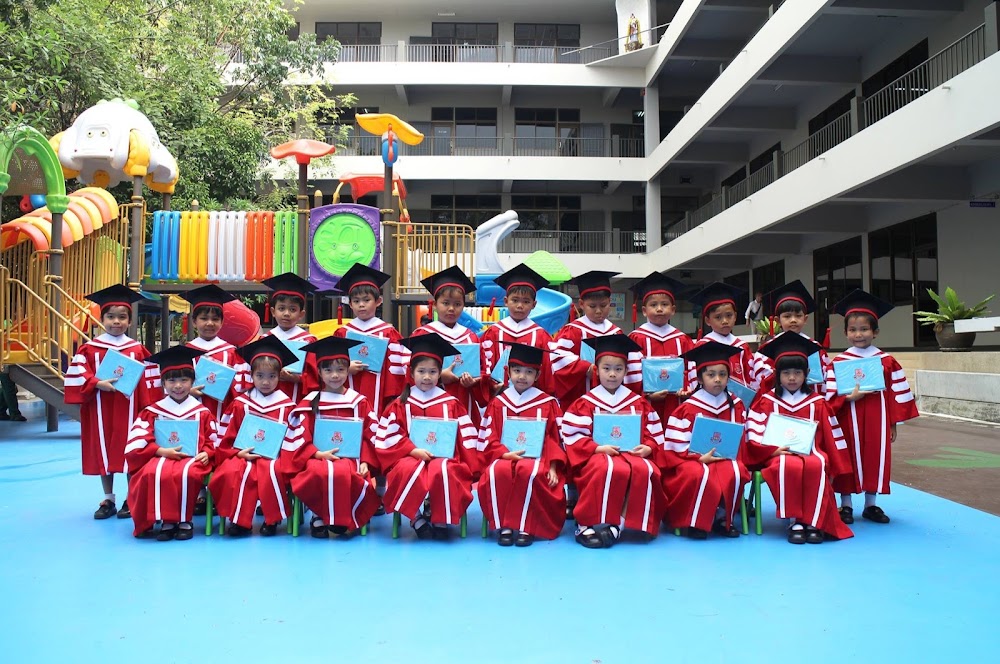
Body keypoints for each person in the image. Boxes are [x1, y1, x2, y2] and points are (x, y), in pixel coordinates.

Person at [743, 333, 853, 543]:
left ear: (807, 374)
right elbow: (754, 432)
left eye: (797, 373)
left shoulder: (817, 402)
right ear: (777, 374)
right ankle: (794, 521)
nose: (792, 378)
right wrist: (771, 451)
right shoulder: (765, 402)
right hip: (777, 454)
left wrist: (833, 462)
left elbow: (831, 437)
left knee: (817, 463)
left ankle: (814, 521)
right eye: (786, 373)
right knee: (787, 465)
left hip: (811, 451)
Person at [560, 334, 666, 548]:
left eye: (618, 369)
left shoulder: (638, 402)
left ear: (626, 372)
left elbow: (654, 434)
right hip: (596, 455)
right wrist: (596, 448)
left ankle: (619, 526)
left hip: (632, 454)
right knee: (608, 467)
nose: (612, 374)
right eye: (606, 368)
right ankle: (585, 524)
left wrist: (648, 447)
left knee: (646, 469)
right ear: (596, 370)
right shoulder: (585, 403)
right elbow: (572, 436)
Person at [826, 290, 919, 525]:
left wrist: (893, 424)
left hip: (878, 419)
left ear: (875, 332)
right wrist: (848, 398)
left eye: (864, 329)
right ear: (846, 333)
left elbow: (896, 395)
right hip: (848, 419)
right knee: (847, 458)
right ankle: (846, 504)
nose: (858, 334)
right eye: (853, 330)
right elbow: (829, 397)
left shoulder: (886, 361)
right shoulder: (839, 362)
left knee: (874, 458)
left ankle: (870, 505)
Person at [374, 333, 479, 540]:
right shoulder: (401, 403)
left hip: (444, 458)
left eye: (433, 372)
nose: (427, 377)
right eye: (421, 371)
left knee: (444, 469)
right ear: (411, 372)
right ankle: (415, 517)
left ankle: (441, 518)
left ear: (440, 373)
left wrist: (451, 454)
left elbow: (466, 439)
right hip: (408, 456)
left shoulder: (451, 403)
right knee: (407, 468)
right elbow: (388, 436)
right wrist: (412, 450)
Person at [64, 285, 156, 519]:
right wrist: (96, 382)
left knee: (130, 450)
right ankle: (108, 498)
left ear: (129, 320)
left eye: (122, 317)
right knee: (104, 452)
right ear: (102, 319)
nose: (117, 321)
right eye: (111, 317)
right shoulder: (89, 349)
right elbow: (77, 374)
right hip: (100, 408)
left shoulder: (136, 349)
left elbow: (151, 379)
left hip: (129, 409)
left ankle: (130, 498)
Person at [282, 336, 382, 538]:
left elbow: (370, 435)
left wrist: (366, 461)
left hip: (352, 459)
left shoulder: (359, 402)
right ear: (319, 372)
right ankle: (319, 515)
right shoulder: (310, 402)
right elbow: (300, 435)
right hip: (316, 457)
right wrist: (316, 453)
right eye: (328, 370)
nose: (335, 375)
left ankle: (342, 517)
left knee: (345, 471)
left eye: (340, 369)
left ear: (348, 371)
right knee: (318, 471)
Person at [123, 346, 218, 540]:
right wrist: (159, 450)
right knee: (154, 472)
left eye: (184, 380)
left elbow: (214, 440)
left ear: (193, 382)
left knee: (188, 473)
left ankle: (185, 521)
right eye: (172, 380)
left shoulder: (202, 412)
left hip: (192, 458)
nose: (178, 386)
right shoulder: (152, 411)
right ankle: (167, 521)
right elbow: (138, 439)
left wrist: (207, 453)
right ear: (163, 383)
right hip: (160, 455)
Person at [207, 336, 298, 536]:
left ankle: (271, 518)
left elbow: (292, 442)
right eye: (260, 375)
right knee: (233, 470)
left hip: (275, 458)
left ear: (280, 376)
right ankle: (240, 520)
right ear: (251, 375)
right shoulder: (240, 404)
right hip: (241, 454)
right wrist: (237, 453)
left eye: (272, 376)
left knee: (272, 469)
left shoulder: (288, 407)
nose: (265, 382)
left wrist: (277, 454)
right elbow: (226, 438)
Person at [478, 342, 567, 546]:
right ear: (508, 372)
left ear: (537, 375)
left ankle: (527, 526)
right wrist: (503, 453)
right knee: (497, 471)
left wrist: (553, 466)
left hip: (539, 459)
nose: (522, 376)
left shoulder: (548, 403)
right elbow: (488, 438)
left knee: (529, 470)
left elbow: (554, 439)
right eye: (517, 371)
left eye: (529, 372)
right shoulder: (498, 403)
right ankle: (504, 525)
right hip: (503, 456)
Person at [659, 341, 750, 539]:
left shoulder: (736, 405)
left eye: (723, 374)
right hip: (692, 460)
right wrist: (697, 457)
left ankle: (723, 519)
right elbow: (675, 447)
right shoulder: (687, 408)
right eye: (711, 375)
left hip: (726, 458)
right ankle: (696, 522)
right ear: (700, 378)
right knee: (697, 473)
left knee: (735, 471)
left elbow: (743, 440)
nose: (717, 379)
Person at [549, 270, 641, 407]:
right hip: (580, 399)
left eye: (603, 305)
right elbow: (557, 358)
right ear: (581, 304)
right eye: (592, 306)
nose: (598, 311)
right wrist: (585, 368)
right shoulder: (572, 331)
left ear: (610, 302)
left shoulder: (615, 332)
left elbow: (630, 367)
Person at [411, 266, 488, 428]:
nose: (451, 309)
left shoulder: (471, 337)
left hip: (464, 401)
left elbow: (482, 371)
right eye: (445, 303)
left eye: (457, 304)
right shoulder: (423, 335)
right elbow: (409, 372)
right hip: (429, 405)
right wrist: (439, 377)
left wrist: (474, 381)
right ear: (434, 304)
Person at [332, 263, 406, 414]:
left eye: (366, 300)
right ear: (350, 304)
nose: (361, 305)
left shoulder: (389, 333)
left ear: (378, 301)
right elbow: (330, 364)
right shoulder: (342, 333)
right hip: (348, 389)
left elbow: (396, 372)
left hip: (379, 395)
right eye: (356, 301)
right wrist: (345, 368)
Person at [628, 272, 694, 424]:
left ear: (673, 309)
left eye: (665, 304)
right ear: (644, 310)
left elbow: (691, 369)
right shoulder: (636, 338)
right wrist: (646, 394)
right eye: (653, 305)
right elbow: (632, 374)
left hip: (677, 402)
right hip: (648, 403)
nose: (659, 309)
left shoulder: (682, 340)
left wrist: (687, 388)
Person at [479, 263, 554, 393]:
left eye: (526, 301)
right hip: (499, 396)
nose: (520, 306)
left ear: (534, 304)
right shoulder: (493, 333)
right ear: (505, 301)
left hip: (532, 398)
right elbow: (484, 366)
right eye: (515, 300)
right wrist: (492, 385)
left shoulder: (541, 336)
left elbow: (548, 374)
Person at [181, 284, 252, 421]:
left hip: (224, 418)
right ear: (194, 321)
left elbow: (243, 388)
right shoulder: (185, 353)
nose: (210, 323)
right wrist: (187, 392)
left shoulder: (232, 353)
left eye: (215, 319)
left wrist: (228, 384)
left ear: (222, 322)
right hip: (192, 419)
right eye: (204, 318)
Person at [752, 280, 834, 397]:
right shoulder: (766, 350)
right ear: (777, 321)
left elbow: (826, 377)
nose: (793, 320)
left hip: (811, 402)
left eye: (798, 316)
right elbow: (761, 381)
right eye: (787, 316)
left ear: (805, 319)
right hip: (778, 402)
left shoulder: (816, 348)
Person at [261, 272, 319, 404]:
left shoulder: (309, 341)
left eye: (293, 309)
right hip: (269, 402)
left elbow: (316, 376)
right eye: (281, 308)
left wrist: (297, 378)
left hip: (297, 399)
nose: (286, 314)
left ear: (301, 314)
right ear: (273, 311)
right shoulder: (265, 339)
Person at [689, 282, 756, 388]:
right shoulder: (703, 346)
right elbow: (694, 379)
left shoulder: (742, 346)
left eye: (729, 315)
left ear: (735, 316)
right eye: (718, 317)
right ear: (708, 320)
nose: (725, 321)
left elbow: (751, 377)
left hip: (740, 398)